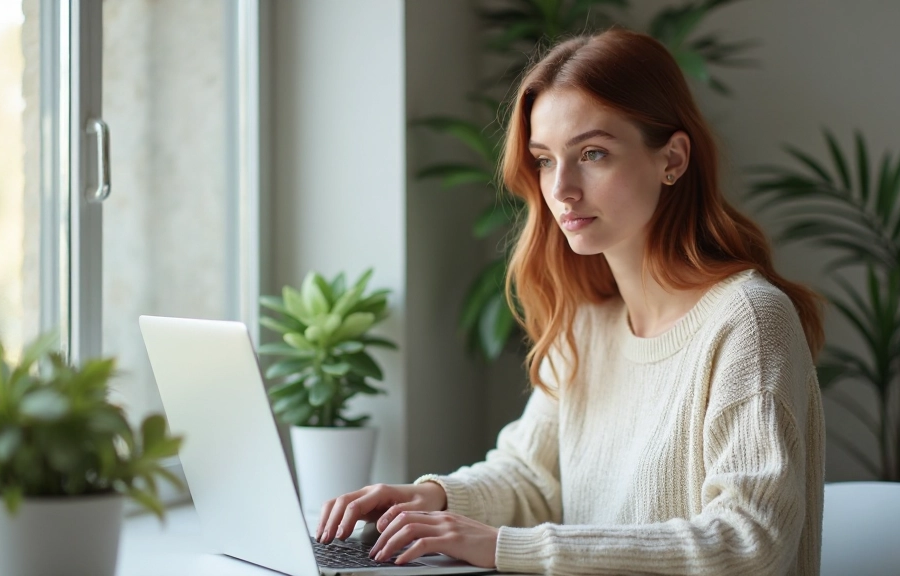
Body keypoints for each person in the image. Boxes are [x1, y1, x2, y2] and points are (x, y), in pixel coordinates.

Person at [314, 26, 826, 576]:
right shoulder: (586, 320)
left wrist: (504, 546)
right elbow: (532, 478)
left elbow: (749, 542)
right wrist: (436, 499)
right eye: (545, 159)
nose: (561, 190)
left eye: (593, 153)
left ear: (672, 159)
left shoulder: (747, 320)